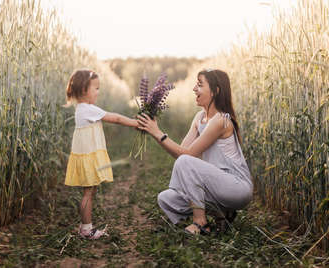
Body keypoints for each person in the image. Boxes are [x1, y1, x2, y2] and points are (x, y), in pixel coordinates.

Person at [137, 69, 253, 235]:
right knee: (166, 198)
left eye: (199, 85)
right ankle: (222, 214)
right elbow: (181, 151)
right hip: (216, 186)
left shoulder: (221, 120)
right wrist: (156, 132)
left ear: (216, 91)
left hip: (236, 188)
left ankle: (200, 223)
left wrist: (157, 132)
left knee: (185, 161)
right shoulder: (199, 118)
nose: (194, 89)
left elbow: (186, 156)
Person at [64, 69, 138, 239]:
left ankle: (85, 226)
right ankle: (86, 230)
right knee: (88, 193)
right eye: (96, 88)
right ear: (84, 90)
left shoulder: (83, 108)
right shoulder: (87, 109)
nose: (98, 92)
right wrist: (136, 123)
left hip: (87, 155)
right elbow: (116, 119)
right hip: (88, 156)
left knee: (89, 191)